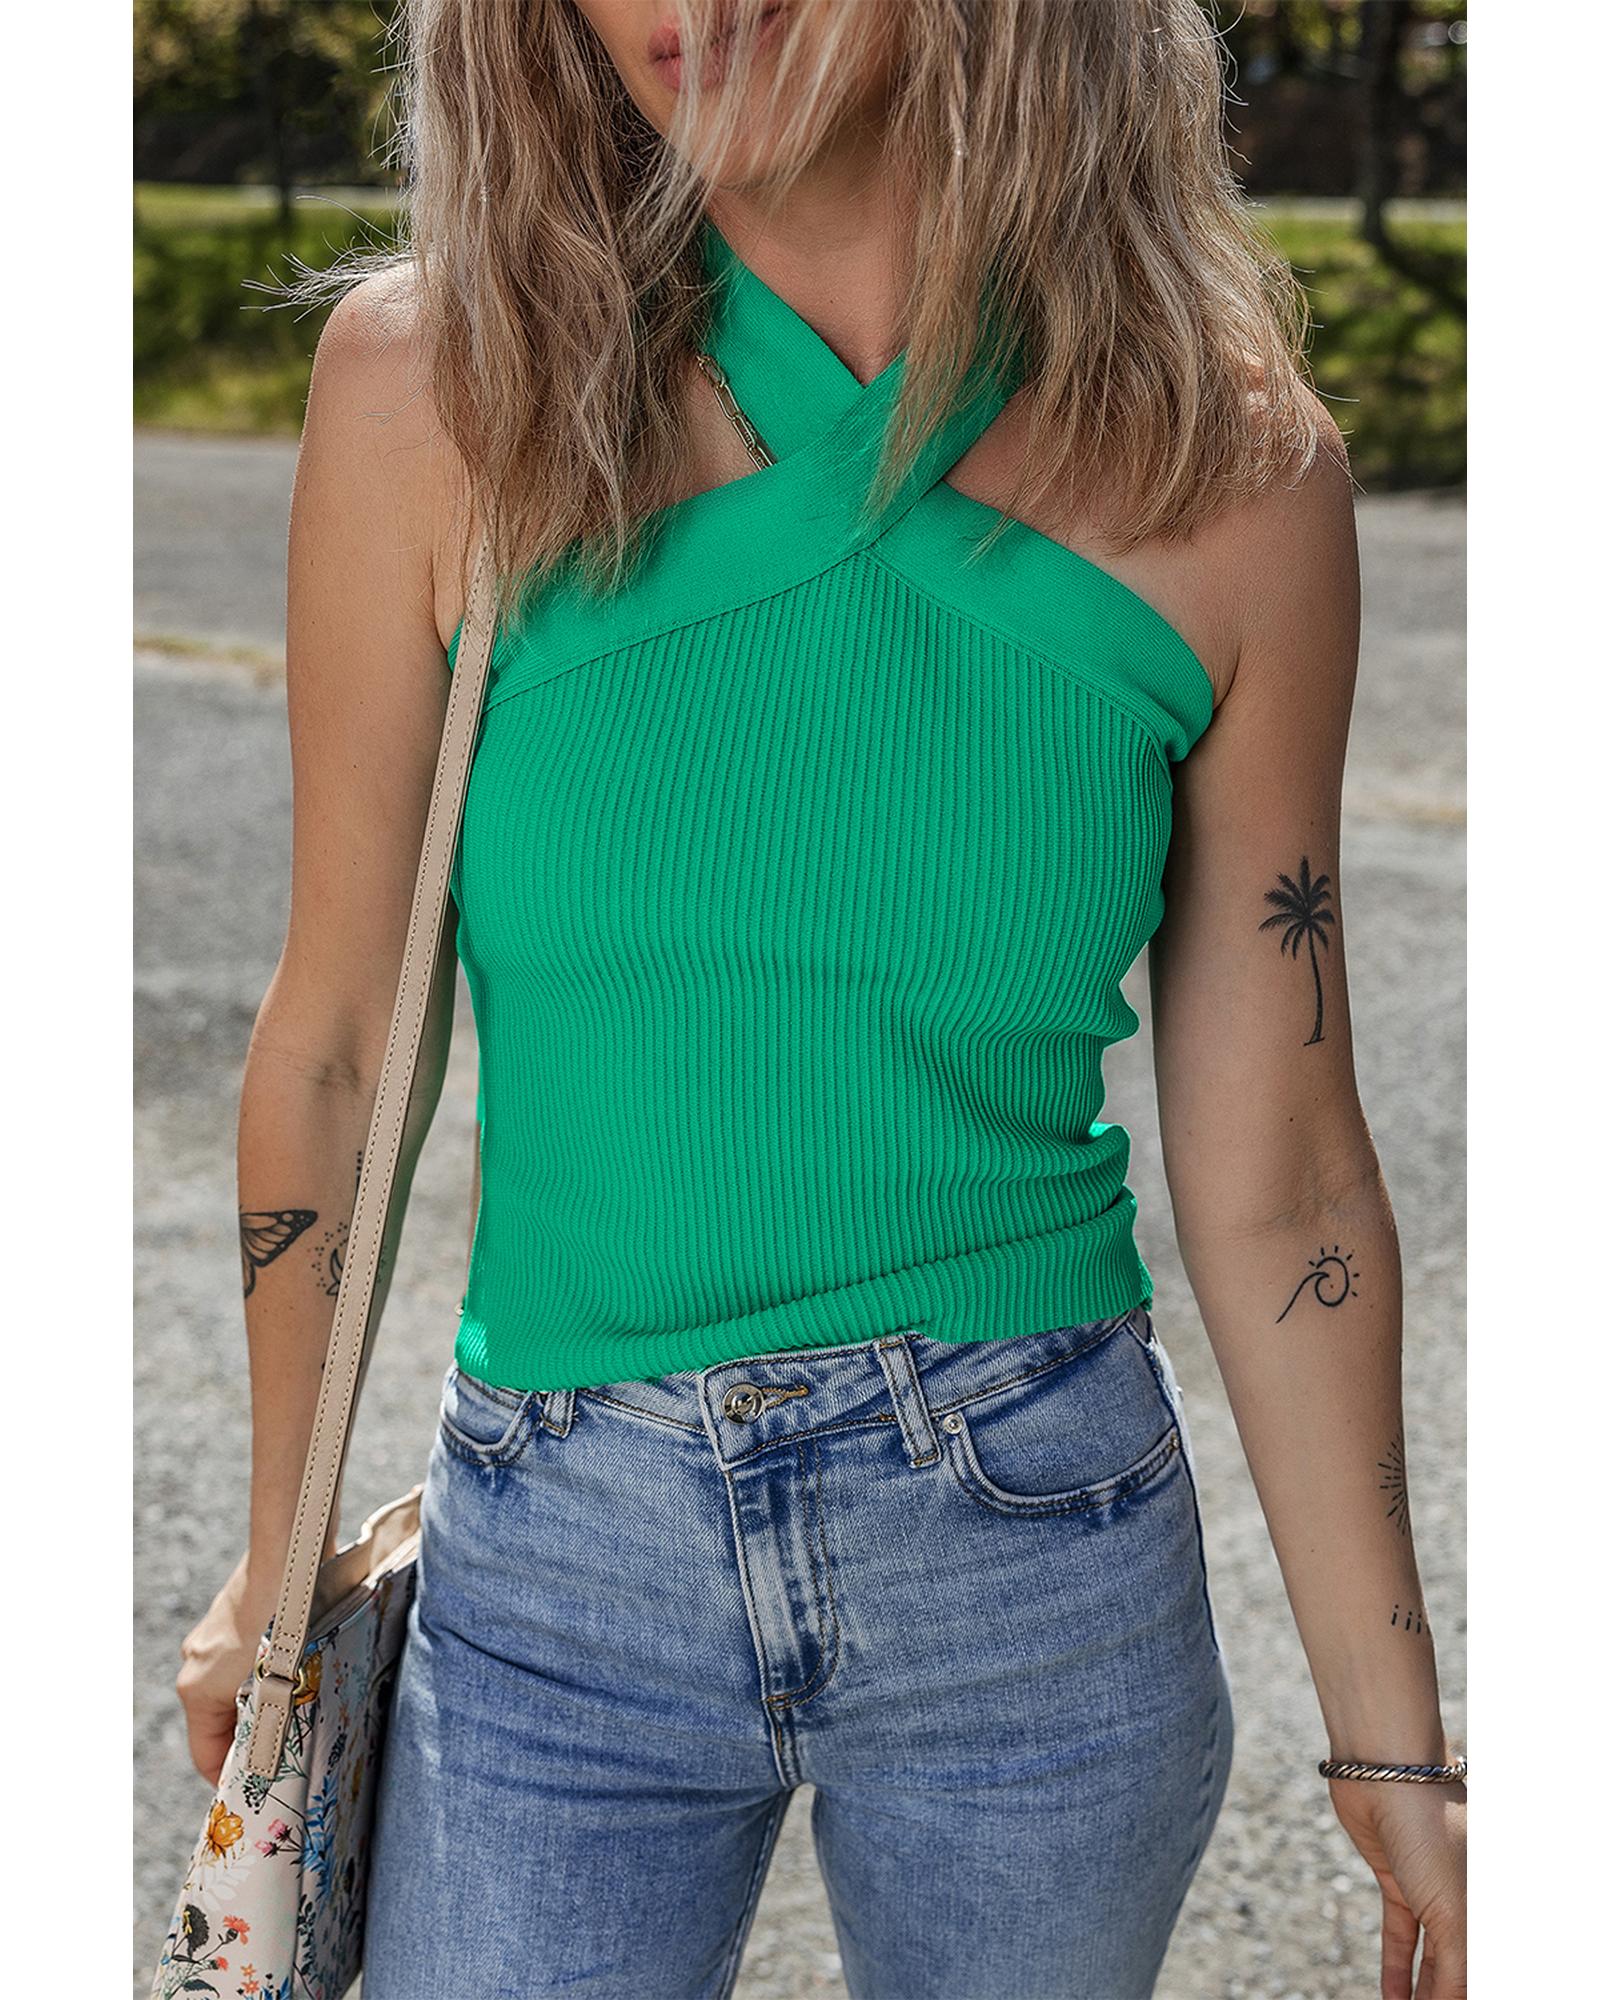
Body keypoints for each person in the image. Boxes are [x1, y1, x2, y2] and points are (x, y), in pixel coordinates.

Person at [173, 2, 1466, 1995]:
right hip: (557, 1564)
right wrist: (282, 1550)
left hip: (1034, 1552)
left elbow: (1284, 1168)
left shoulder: (1231, 472)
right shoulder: (440, 388)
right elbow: (343, 1037)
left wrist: (1394, 1743)